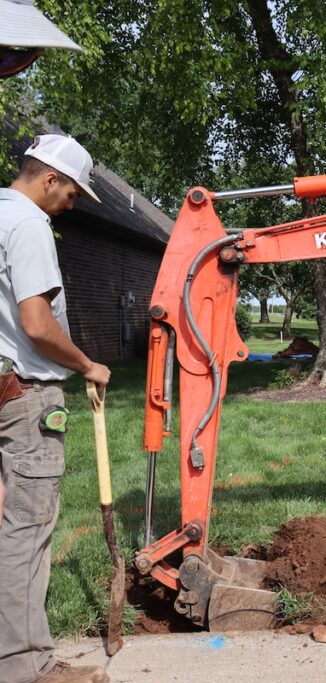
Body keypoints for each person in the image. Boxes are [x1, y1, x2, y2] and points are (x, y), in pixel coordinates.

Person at [0, 135, 111, 683]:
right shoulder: (27, 226)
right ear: (49, 179)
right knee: (27, 529)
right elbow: (39, 326)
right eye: (71, 194)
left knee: (4, 523)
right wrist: (87, 365)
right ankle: (26, 670)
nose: (71, 205)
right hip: (23, 394)